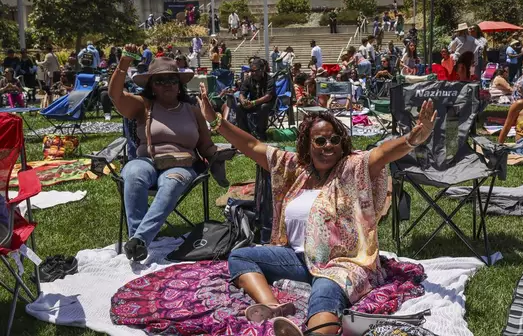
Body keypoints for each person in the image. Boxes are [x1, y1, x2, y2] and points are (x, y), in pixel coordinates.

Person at [197, 79, 437, 336]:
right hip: (298, 259)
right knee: (241, 256)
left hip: (342, 263)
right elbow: (253, 146)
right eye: (320, 141)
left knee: (325, 289)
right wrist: (216, 122)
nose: (328, 146)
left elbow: (382, 153)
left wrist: (412, 139)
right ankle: (273, 307)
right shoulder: (294, 170)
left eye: (334, 139)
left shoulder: (352, 168)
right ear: (308, 145)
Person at [108, 48, 219, 261]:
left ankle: (139, 240)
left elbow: (205, 144)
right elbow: (115, 95)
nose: (167, 85)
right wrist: (124, 63)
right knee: (133, 173)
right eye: (160, 81)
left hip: (182, 164)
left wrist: (218, 154)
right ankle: (137, 239)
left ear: (180, 85)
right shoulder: (144, 105)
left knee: (172, 182)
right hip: (147, 159)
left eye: (172, 80)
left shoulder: (192, 110)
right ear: (152, 87)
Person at [236, 58, 275, 141]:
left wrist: (253, 103)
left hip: (268, 105)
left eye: (255, 71)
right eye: (251, 71)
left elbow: (268, 96)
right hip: (253, 103)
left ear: (262, 69)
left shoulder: (269, 79)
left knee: (263, 107)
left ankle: (260, 133)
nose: (253, 73)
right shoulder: (249, 79)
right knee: (239, 106)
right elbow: (242, 93)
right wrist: (243, 101)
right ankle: (245, 133)